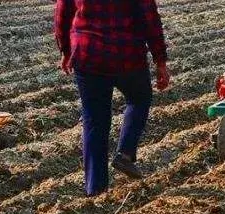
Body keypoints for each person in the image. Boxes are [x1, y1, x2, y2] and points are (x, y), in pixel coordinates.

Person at [54, 0, 170, 196]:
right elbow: (149, 16)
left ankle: (95, 189)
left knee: (94, 120)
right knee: (139, 98)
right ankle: (125, 152)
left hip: (88, 53)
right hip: (127, 54)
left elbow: (62, 12)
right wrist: (160, 60)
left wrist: (65, 50)